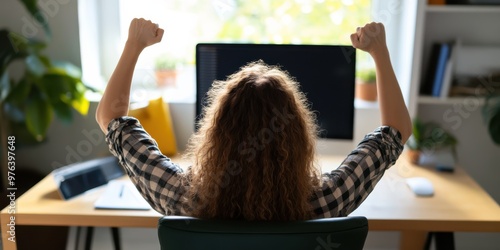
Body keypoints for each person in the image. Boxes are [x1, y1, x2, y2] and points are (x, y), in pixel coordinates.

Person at [96, 18, 411, 221]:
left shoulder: (181, 198)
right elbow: (396, 131)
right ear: (299, 136)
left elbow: (110, 118)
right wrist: (379, 51)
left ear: (215, 133)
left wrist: (134, 45)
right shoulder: (327, 201)